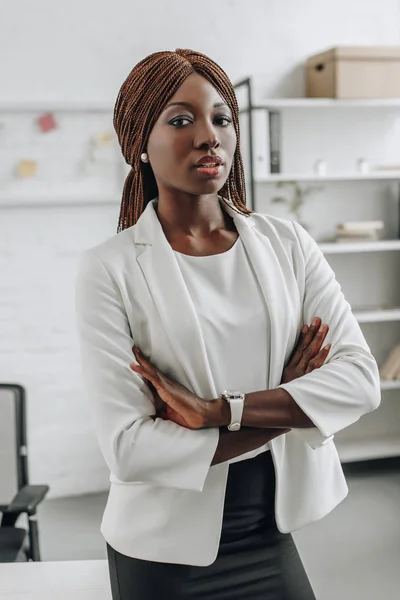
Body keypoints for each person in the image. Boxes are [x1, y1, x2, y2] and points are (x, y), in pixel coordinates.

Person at [74, 49, 381, 599]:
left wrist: (218, 413)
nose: (208, 135)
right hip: (161, 552)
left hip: (270, 531)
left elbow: (360, 380)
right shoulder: (110, 269)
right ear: (139, 145)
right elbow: (130, 447)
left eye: (221, 117)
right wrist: (291, 402)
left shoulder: (287, 244)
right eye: (180, 119)